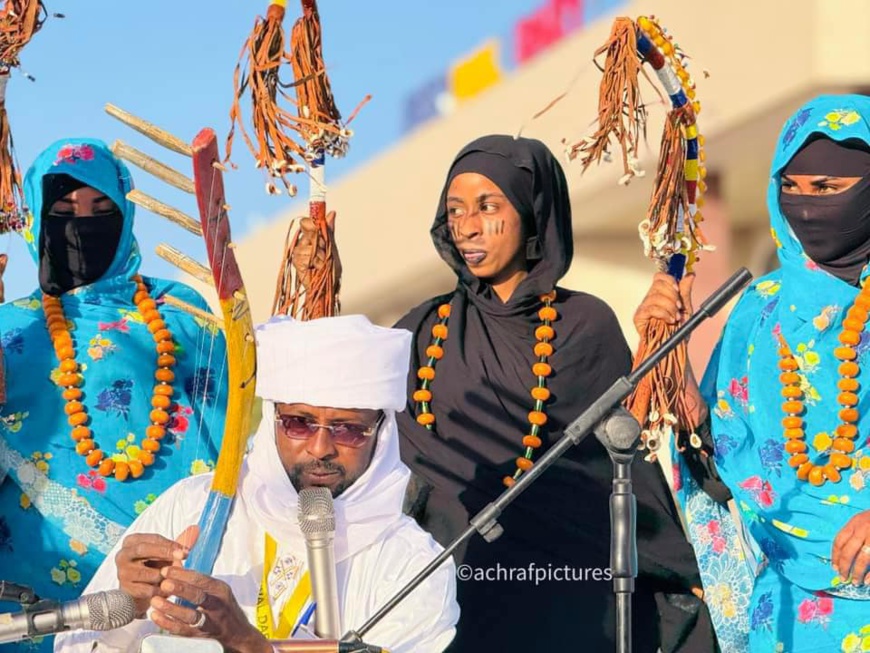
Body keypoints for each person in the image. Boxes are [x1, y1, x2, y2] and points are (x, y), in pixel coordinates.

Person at [393, 135, 716, 652]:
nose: (469, 226)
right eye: (455, 211)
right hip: (449, 604)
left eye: (488, 206)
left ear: (531, 211)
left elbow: (623, 464)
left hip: (574, 603)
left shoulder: (585, 325)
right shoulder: (421, 331)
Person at [55, 314, 459, 653]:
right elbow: (74, 645)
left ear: (381, 433)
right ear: (273, 421)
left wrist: (246, 643)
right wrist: (131, 608)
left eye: (348, 429)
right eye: (299, 423)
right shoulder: (196, 505)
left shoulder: (411, 566)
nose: (321, 448)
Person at [635, 95, 870, 652]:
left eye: (829, 189)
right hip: (782, 613)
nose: (807, 206)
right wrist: (670, 359)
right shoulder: (759, 308)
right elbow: (719, 451)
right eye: (794, 187)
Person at [0, 138, 227, 650]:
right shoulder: (8, 329)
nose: (83, 224)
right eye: (63, 211)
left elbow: (225, 435)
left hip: (167, 576)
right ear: (36, 219)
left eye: (103, 210)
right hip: (32, 598)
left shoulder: (181, 312)